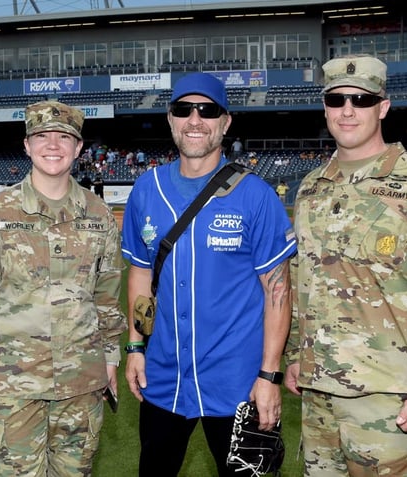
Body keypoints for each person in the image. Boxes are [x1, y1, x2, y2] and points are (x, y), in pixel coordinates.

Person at [285, 54, 407, 476]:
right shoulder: (311, 188)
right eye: (337, 99)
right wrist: (295, 354)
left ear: (383, 107)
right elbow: (302, 278)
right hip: (318, 395)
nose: (348, 110)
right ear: (325, 107)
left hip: (391, 402)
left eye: (362, 98)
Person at [121, 72, 297, 477]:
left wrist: (269, 374)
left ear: (226, 121)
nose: (195, 120)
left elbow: (279, 292)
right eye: (184, 110)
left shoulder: (255, 195)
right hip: (164, 377)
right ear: (170, 119)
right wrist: (134, 346)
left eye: (207, 110)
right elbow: (141, 272)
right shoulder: (147, 189)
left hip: (238, 384)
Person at [0, 100, 126, 476]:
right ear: (27, 146)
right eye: (42, 136)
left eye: (64, 137)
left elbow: (108, 296)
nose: (53, 145)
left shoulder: (99, 214)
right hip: (14, 384)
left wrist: (110, 359)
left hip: (82, 382)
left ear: (79, 148)